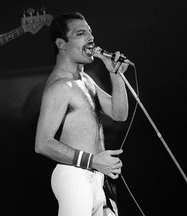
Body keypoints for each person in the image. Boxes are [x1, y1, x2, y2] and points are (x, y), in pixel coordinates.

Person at [35, 11, 129, 216]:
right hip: (74, 176)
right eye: (81, 33)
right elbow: (42, 143)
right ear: (62, 44)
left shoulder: (85, 80)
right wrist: (93, 161)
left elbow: (119, 113)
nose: (90, 38)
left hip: (98, 179)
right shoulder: (61, 86)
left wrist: (116, 75)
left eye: (90, 32)